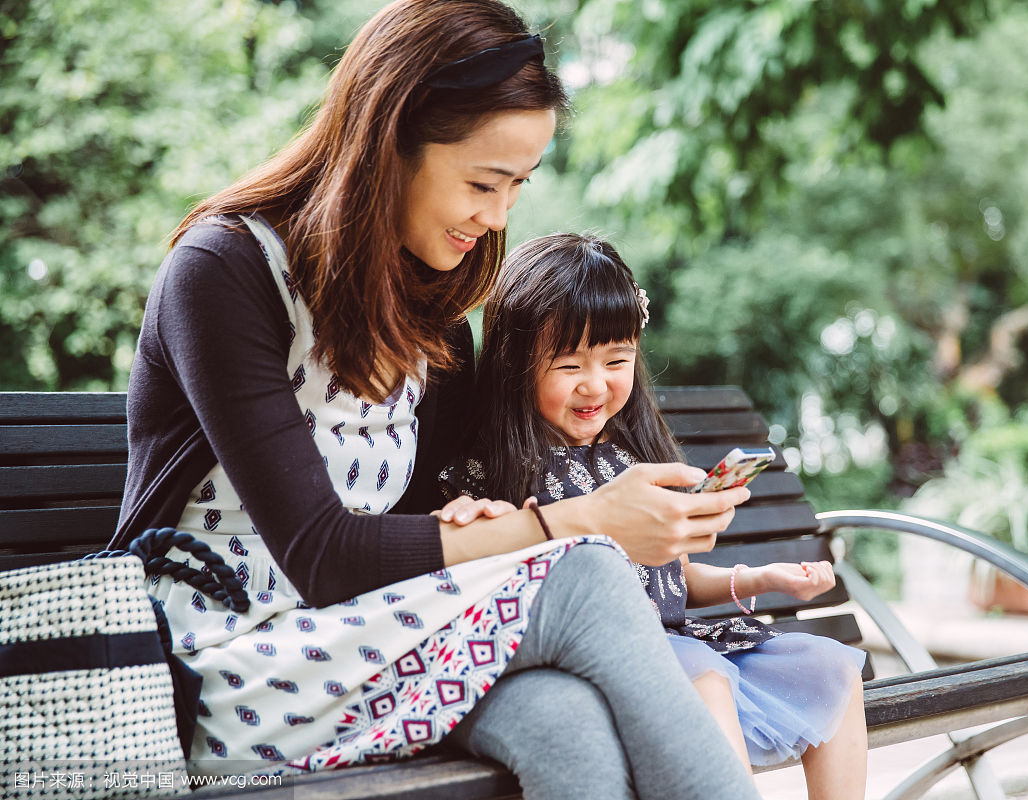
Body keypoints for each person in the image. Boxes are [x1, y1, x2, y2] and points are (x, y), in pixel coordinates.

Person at [112, 2, 764, 798]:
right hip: (223, 658)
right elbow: (320, 555)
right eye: (484, 182)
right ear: (389, 144)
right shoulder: (224, 273)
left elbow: (424, 525)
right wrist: (582, 521)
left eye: (518, 186)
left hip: (364, 641)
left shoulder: (434, 325)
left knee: (563, 719)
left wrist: (474, 518)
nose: (497, 216)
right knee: (587, 573)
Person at [440, 232, 868, 800]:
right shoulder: (495, 473)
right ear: (515, 364)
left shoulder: (631, 459)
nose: (597, 385)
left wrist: (762, 580)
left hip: (682, 639)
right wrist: (472, 518)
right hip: (606, 661)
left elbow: (677, 578)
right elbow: (467, 560)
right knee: (706, 681)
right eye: (569, 365)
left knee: (831, 668)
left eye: (617, 360)